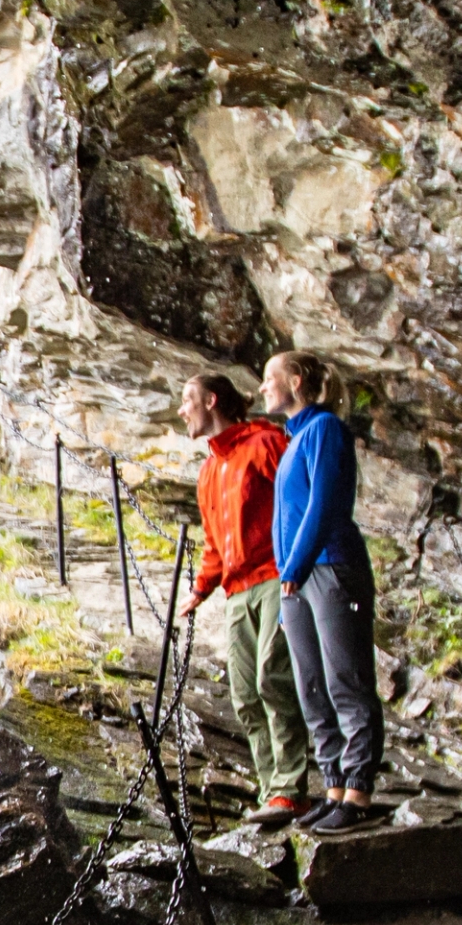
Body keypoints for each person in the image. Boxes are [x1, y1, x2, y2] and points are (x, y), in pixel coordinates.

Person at [175, 372, 316, 825]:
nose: (181, 410)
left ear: (212, 401)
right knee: (244, 694)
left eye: (187, 400)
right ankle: (272, 789)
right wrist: (201, 587)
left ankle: (290, 789)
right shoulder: (209, 469)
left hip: (278, 576)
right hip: (237, 591)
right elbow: (216, 541)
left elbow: (303, 498)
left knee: (273, 677)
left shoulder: (265, 443)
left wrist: (303, 561)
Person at [263, 350, 383, 832]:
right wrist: (288, 573)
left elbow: (324, 505)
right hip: (297, 577)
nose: (262, 388)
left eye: (270, 379)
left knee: (345, 680)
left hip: (330, 567)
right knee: (311, 685)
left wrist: (294, 563)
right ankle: (332, 785)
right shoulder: (293, 438)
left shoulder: (325, 430)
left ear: (295, 381)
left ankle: (358, 791)